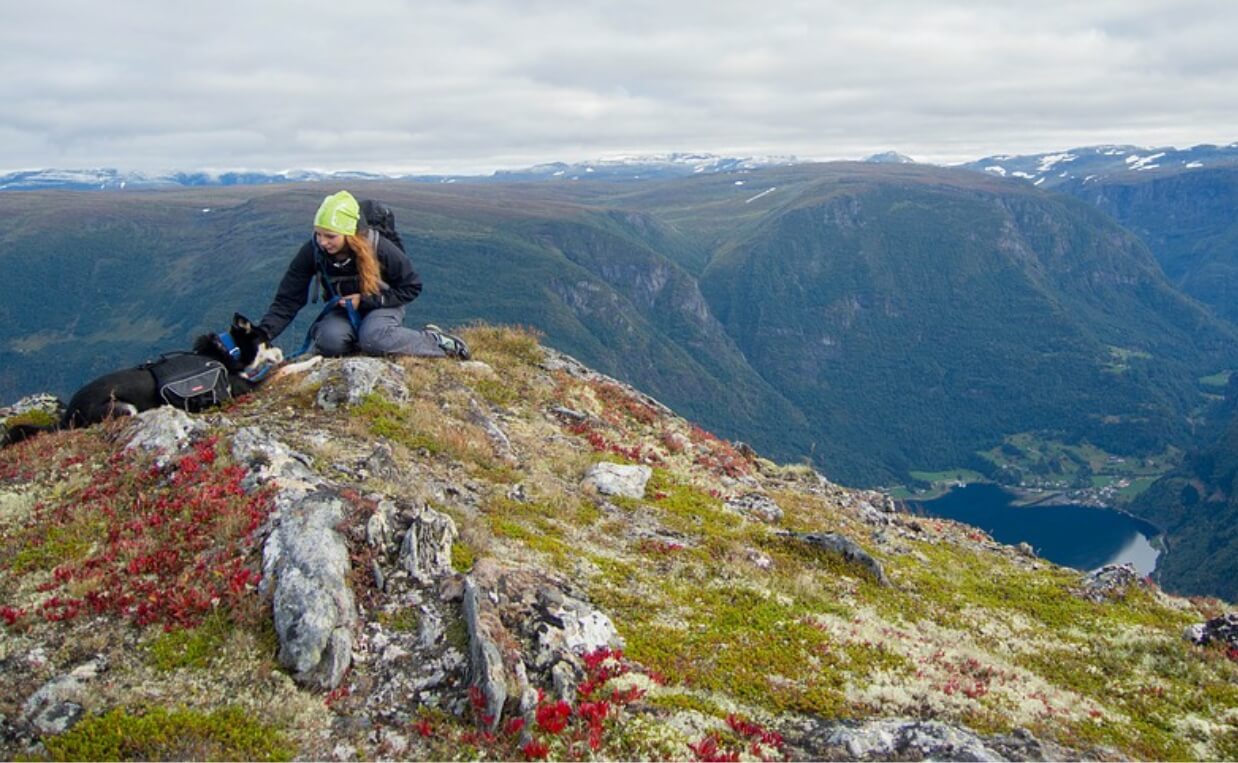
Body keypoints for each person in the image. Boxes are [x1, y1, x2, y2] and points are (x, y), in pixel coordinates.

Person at [257, 191, 469, 359]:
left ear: (350, 234)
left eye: (330, 236)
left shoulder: (380, 248)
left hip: (384, 304)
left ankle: (436, 341)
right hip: (343, 309)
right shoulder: (313, 251)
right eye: (318, 234)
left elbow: (411, 286)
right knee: (330, 342)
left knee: (374, 337)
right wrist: (262, 336)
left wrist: (365, 300)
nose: (322, 242)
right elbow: (288, 299)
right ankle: (363, 340)